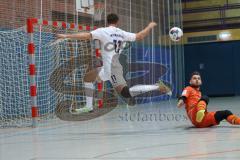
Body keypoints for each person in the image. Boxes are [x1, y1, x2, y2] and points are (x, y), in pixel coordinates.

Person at [57, 13, 171, 113]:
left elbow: (86, 35)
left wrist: (67, 36)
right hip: (109, 67)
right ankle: (88, 106)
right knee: (87, 78)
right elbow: (140, 36)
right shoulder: (122, 33)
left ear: (107, 21)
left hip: (112, 68)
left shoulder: (103, 31)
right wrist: (149, 26)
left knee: (126, 93)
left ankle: (156, 87)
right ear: (117, 22)